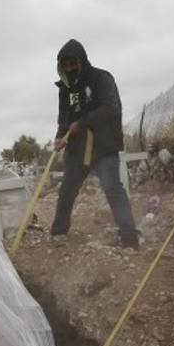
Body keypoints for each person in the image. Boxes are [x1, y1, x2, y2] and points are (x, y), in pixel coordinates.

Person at [50, 39, 139, 248]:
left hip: (103, 146)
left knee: (112, 188)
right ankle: (58, 233)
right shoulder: (65, 88)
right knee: (67, 190)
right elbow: (64, 117)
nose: (70, 68)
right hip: (77, 149)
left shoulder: (101, 78)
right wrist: (60, 136)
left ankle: (129, 238)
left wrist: (82, 123)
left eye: (73, 63)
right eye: (65, 65)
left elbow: (111, 108)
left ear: (81, 61)